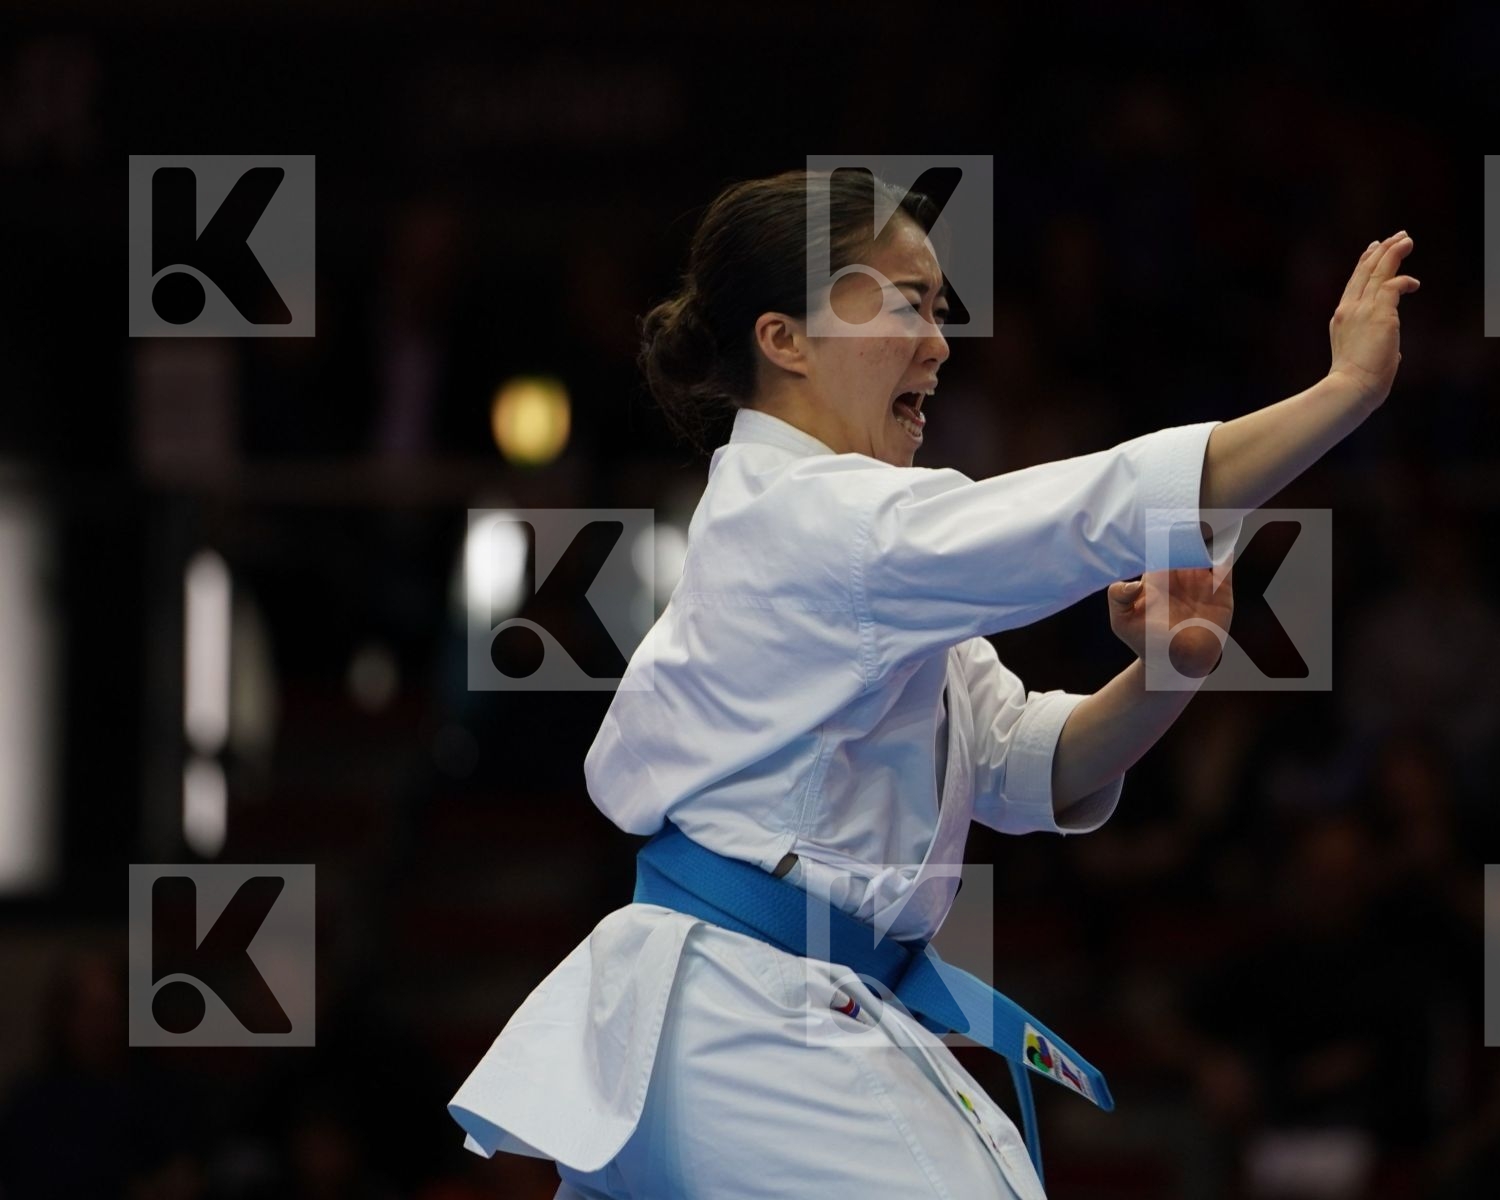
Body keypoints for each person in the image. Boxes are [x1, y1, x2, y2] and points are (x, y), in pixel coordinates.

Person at [447, 168, 1418, 1199]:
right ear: (785, 340)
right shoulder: (820, 524)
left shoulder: (853, 548)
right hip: (751, 1021)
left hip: (744, 1014)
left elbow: (1026, 766)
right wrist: (1342, 396)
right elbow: (1093, 509)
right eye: (906, 301)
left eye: (940, 307)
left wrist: (1165, 673)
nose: (942, 343)